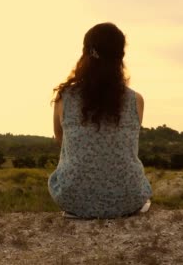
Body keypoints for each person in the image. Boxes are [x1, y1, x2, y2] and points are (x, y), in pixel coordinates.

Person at [48, 22, 152, 219]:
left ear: (85, 54)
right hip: (128, 199)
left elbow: (60, 139)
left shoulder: (64, 98)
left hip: (73, 199)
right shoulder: (135, 100)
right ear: (121, 56)